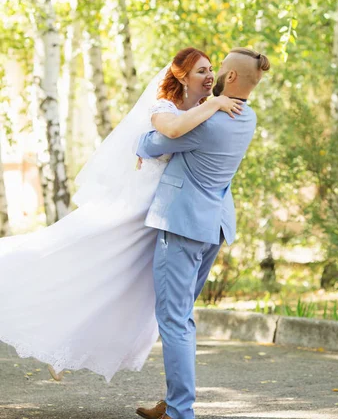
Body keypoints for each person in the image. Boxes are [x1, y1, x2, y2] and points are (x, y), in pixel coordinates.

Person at [0, 47, 243, 383]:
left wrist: (212, 106)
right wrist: (215, 104)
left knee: (124, 288)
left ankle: (69, 345)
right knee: (91, 261)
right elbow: (170, 131)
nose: (209, 76)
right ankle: (51, 330)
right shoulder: (165, 108)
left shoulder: (210, 111)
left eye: (211, 69)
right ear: (182, 77)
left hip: (177, 215)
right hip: (142, 207)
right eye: (201, 71)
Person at [135, 47, 270, 419]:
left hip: (181, 226)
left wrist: (143, 139)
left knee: (174, 321)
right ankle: (172, 400)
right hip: (213, 227)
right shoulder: (248, 116)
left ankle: (181, 411)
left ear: (232, 79)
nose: (215, 75)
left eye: (220, 69)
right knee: (182, 316)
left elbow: (152, 144)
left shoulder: (208, 123)